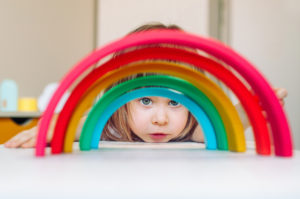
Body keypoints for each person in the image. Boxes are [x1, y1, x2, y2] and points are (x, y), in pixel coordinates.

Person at [4, 22, 288, 148]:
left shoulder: (191, 127)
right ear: (121, 97)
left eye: (175, 102)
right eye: (146, 101)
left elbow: (224, 125)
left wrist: (249, 108)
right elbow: (69, 125)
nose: (161, 119)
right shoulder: (109, 124)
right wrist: (49, 127)